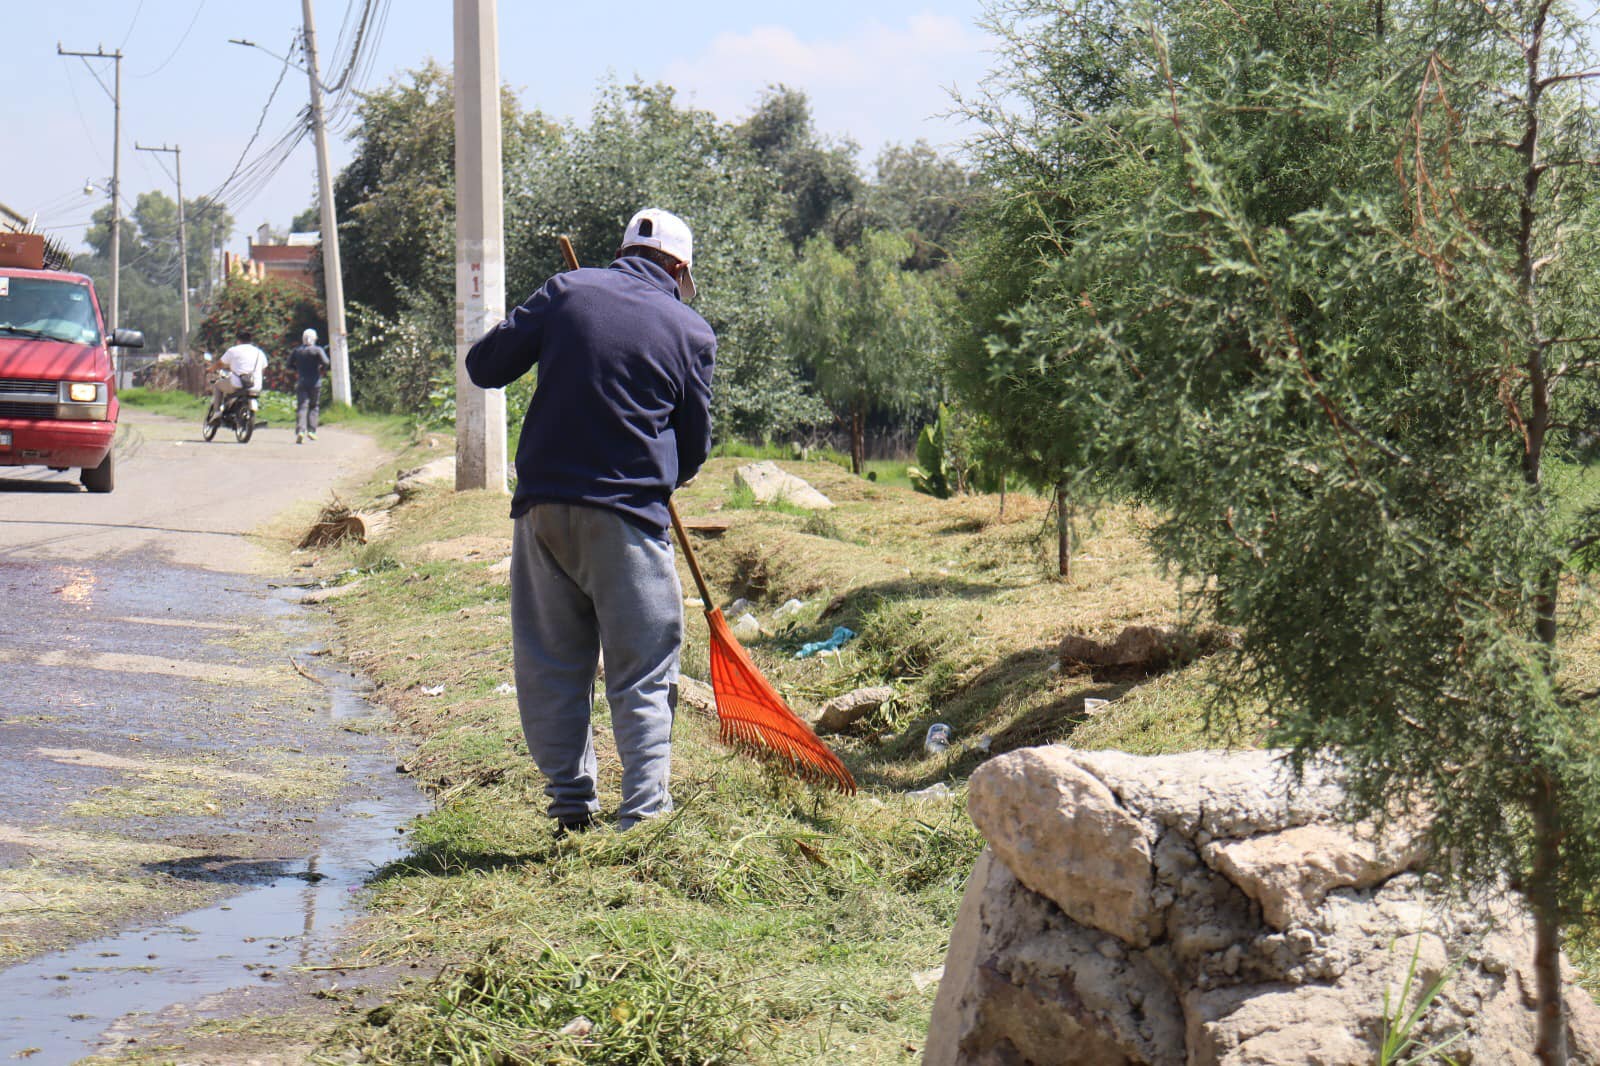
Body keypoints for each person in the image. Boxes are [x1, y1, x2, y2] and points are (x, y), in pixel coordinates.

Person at [465, 208, 715, 834]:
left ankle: (571, 808)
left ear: (624, 250)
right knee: (644, 667)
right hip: (628, 519)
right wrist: (654, 473)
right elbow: (694, 449)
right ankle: (644, 818)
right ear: (680, 268)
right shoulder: (690, 331)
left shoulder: (566, 291)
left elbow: (485, 367)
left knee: (551, 662)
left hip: (542, 513)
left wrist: (551, 324)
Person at [208, 327, 267, 423]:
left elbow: (220, 364)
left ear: (238, 340)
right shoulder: (259, 353)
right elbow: (263, 369)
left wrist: (211, 369)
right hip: (255, 385)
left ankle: (217, 411)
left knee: (218, 386)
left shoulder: (233, 350)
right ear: (250, 340)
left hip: (237, 383)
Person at [289, 328, 331, 444]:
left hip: (301, 381)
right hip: (315, 382)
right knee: (314, 406)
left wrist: (297, 369)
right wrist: (321, 369)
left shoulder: (297, 351)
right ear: (314, 338)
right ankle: (311, 430)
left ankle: (300, 431)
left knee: (302, 406)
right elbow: (326, 362)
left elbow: (289, 365)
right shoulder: (317, 350)